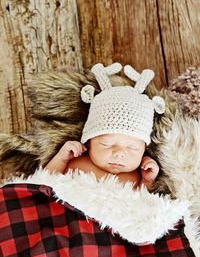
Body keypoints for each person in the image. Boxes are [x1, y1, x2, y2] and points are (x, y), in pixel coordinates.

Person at [45, 62, 165, 191]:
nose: (119, 153)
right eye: (106, 144)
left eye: (133, 148)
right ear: (89, 142)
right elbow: (44, 183)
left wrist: (148, 181)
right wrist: (61, 158)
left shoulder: (136, 177)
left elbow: (144, 203)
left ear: (144, 150)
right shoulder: (76, 163)